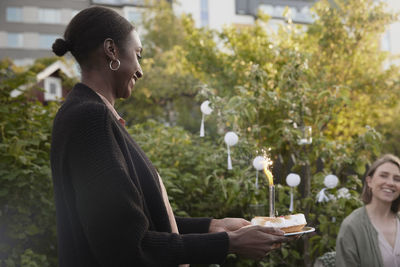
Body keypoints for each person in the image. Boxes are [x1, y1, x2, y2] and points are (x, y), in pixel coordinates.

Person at [50, 6, 290, 267]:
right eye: (138, 55)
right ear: (111, 50)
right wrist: (230, 243)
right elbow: (127, 247)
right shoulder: (90, 118)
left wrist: (214, 227)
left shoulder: (94, 115)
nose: (140, 70)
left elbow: (139, 224)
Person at [336, 154, 400, 267]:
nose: (390, 183)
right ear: (369, 181)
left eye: (397, 179)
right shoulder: (352, 226)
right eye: (384, 176)